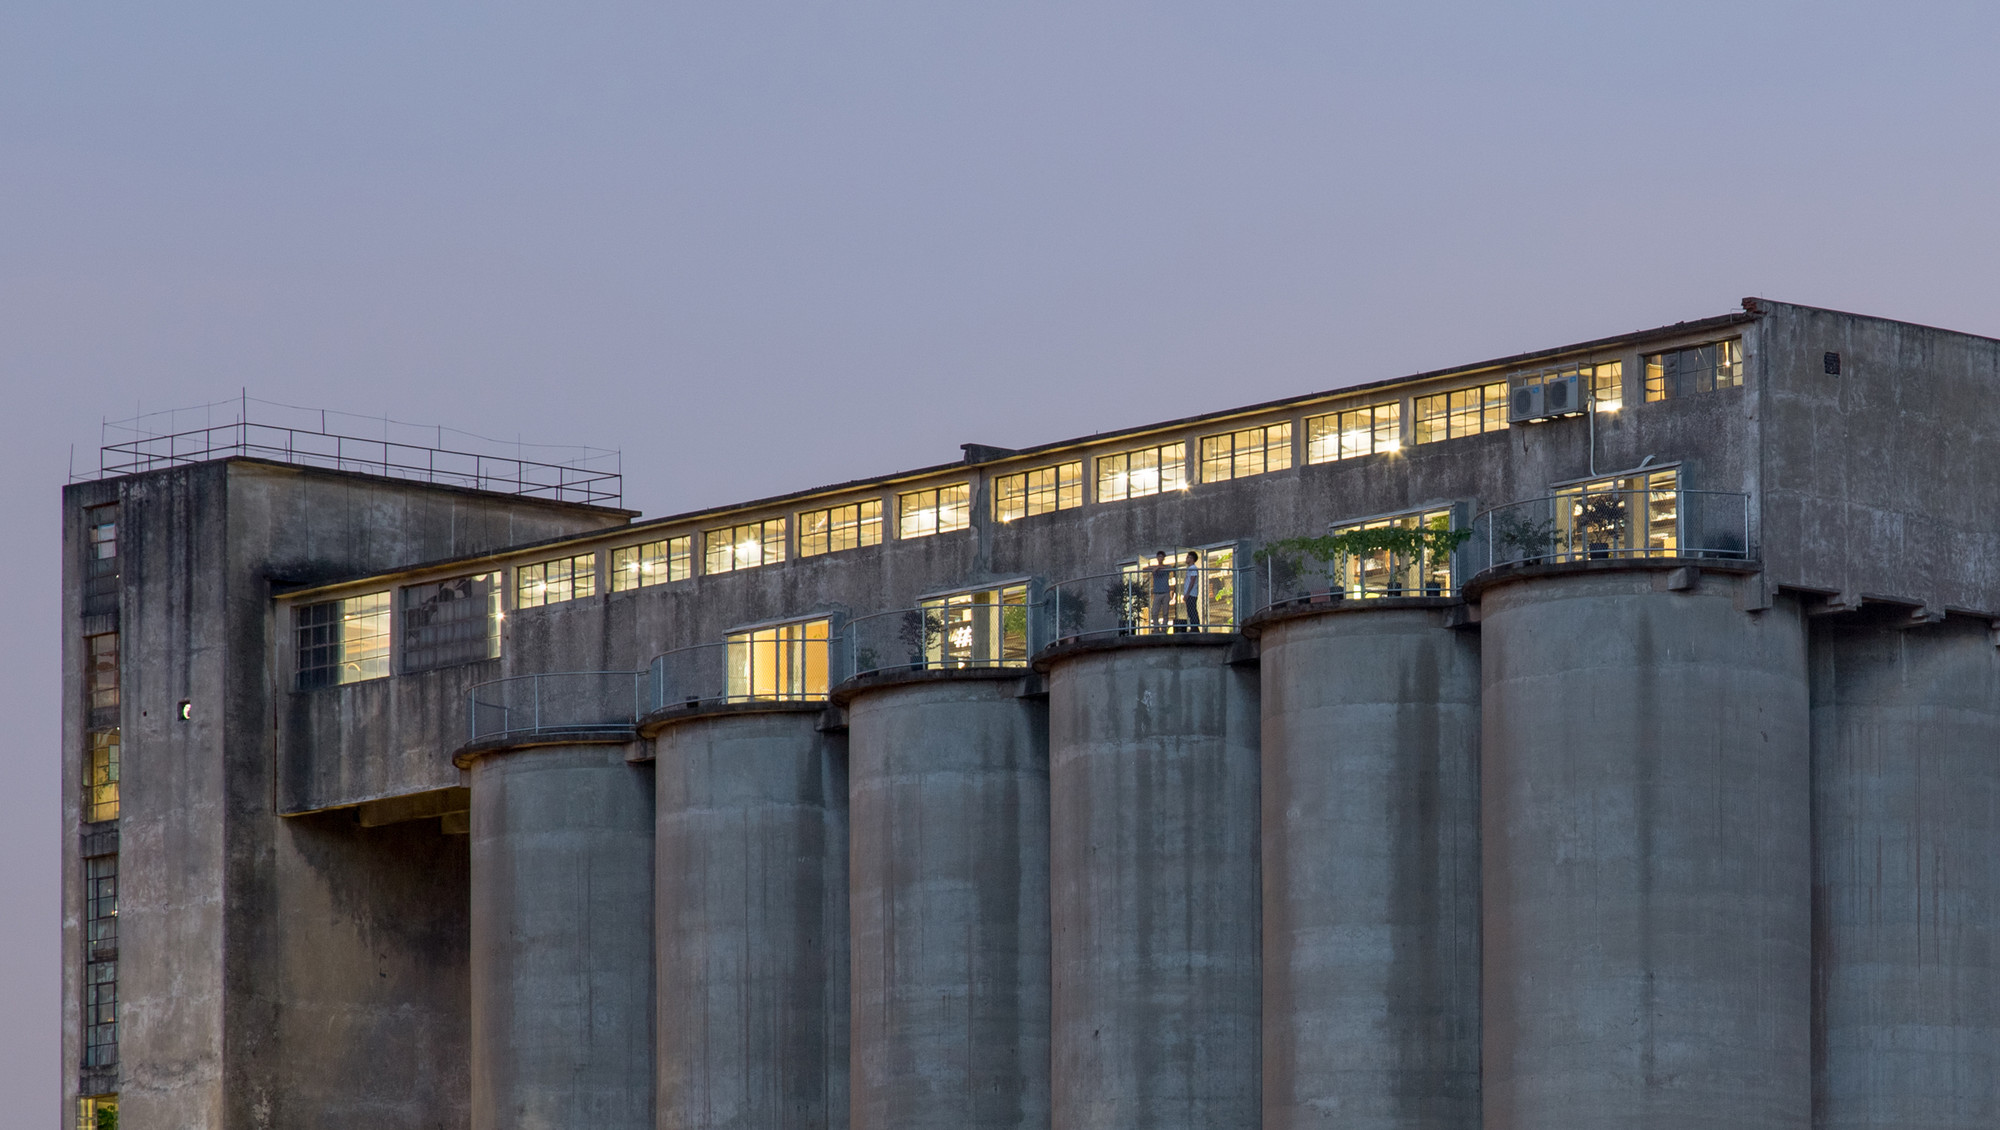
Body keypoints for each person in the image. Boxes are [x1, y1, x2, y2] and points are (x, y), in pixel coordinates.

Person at [1147, 551, 1172, 633]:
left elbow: (1171, 568)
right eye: (1159, 556)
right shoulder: (1154, 568)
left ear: (1164, 558)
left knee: (1165, 612)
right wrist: (1156, 568)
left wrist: (1160, 567)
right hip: (1157, 593)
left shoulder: (1167, 567)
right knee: (1154, 612)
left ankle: (1164, 628)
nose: (1160, 558)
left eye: (1161, 556)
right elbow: (1146, 569)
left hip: (1165, 592)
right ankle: (1156, 628)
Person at [1181, 550, 1202, 631]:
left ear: (1192, 559)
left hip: (1191, 594)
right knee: (1190, 610)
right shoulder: (1190, 568)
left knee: (1192, 609)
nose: (1186, 559)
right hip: (1189, 593)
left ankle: (1195, 626)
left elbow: (1192, 580)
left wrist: (1187, 593)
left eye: (1188, 557)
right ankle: (1194, 626)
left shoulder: (1193, 568)